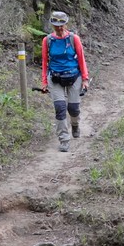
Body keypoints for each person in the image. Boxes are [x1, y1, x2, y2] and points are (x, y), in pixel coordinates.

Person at [41, 11, 89, 152]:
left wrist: (85, 79)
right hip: (55, 77)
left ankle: (75, 124)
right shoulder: (47, 40)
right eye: (56, 26)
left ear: (66, 24)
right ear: (52, 25)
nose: (59, 28)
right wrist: (44, 81)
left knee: (73, 108)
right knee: (60, 108)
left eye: (61, 25)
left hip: (74, 76)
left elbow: (81, 59)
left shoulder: (74, 39)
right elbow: (45, 62)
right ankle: (64, 139)